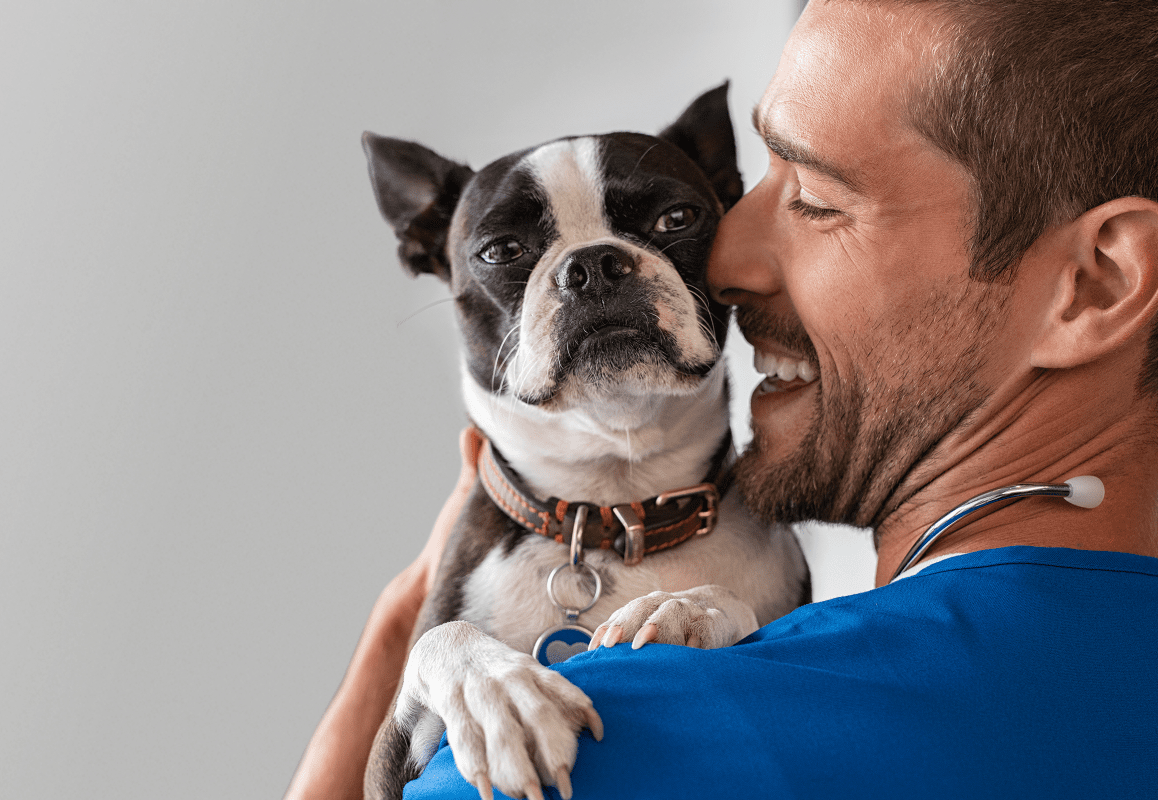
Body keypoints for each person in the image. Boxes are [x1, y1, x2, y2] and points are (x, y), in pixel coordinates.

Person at [286, 0, 1158, 797]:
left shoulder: (603, 736)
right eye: (757, 181)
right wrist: (412, 619)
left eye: (815, 198)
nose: (726, 259)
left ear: (1094, 283)